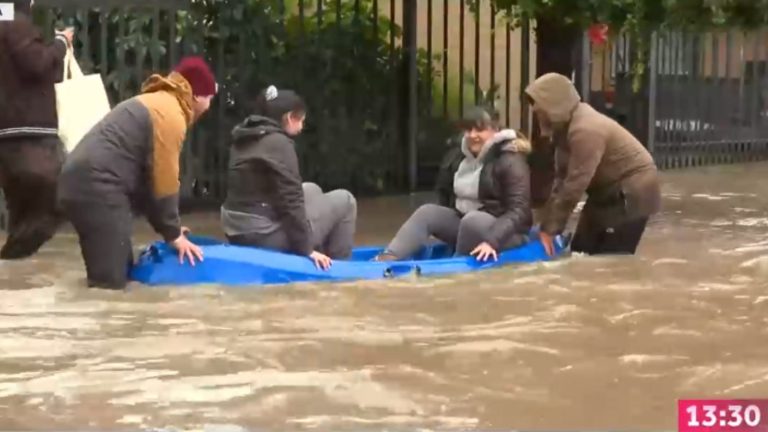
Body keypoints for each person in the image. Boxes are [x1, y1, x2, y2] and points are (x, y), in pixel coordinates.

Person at [57, 56, 217, 289]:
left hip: (86, 182)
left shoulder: (159, 102)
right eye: (209, 97)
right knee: (111, 284)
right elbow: (165, 177)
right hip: (98, 185)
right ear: (195, 95)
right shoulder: (170, 114)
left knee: (117, 272)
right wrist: (174, 235)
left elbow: (147, 180)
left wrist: (169, 229)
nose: (209, 105)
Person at [221, 85, 358, 270]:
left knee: (311, 189)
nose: (302, 127)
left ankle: (323, 249)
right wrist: (306, 249)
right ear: (288, 117)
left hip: (237, 231)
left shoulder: (244, 135)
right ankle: (340, 270)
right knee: (346, 200)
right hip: (262, 237)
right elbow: (291, 202)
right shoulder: (279, 143)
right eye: (300, 120)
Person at [524, 72, 661, 256]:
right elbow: (561, 181)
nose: (535, 110)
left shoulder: (585, 130)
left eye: (538, 104)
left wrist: (550, 230)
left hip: (631, 193)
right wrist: (546, 225)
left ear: (554, 103)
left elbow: (575, 184)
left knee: (611, 259)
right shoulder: (563, 129)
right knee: (580, 250)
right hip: (602, 193)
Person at [374, 106, 533, 262]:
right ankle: (389, 257)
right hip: (466, 225)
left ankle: (455, 265)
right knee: (427, 212)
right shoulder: (457, 157)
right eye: (468, 130)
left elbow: (518, 210)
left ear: (495, 130)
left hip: (506, 233)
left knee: (472, 221)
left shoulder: (511, 160)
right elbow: (445, 196)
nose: (472, 135)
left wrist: (492, 242)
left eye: (479, 130)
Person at [0, 0, 74, 259]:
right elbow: (37, 63)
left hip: (12, 130)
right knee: (57, 200)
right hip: (28, 130)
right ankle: (11, 259)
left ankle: (11, 272)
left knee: (22, 209)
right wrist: (61, 44)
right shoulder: (15, 23)